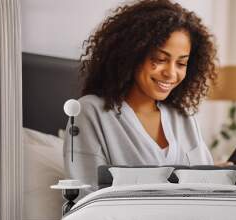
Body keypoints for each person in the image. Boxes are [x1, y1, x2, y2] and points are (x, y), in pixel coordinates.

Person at [63, 0, 220, 190]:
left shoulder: (183, 118)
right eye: (160, 59)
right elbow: (86, 195)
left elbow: (208, 188)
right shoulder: (90, 112)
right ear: (132, 55)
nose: (171, 73)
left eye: (181, 63)